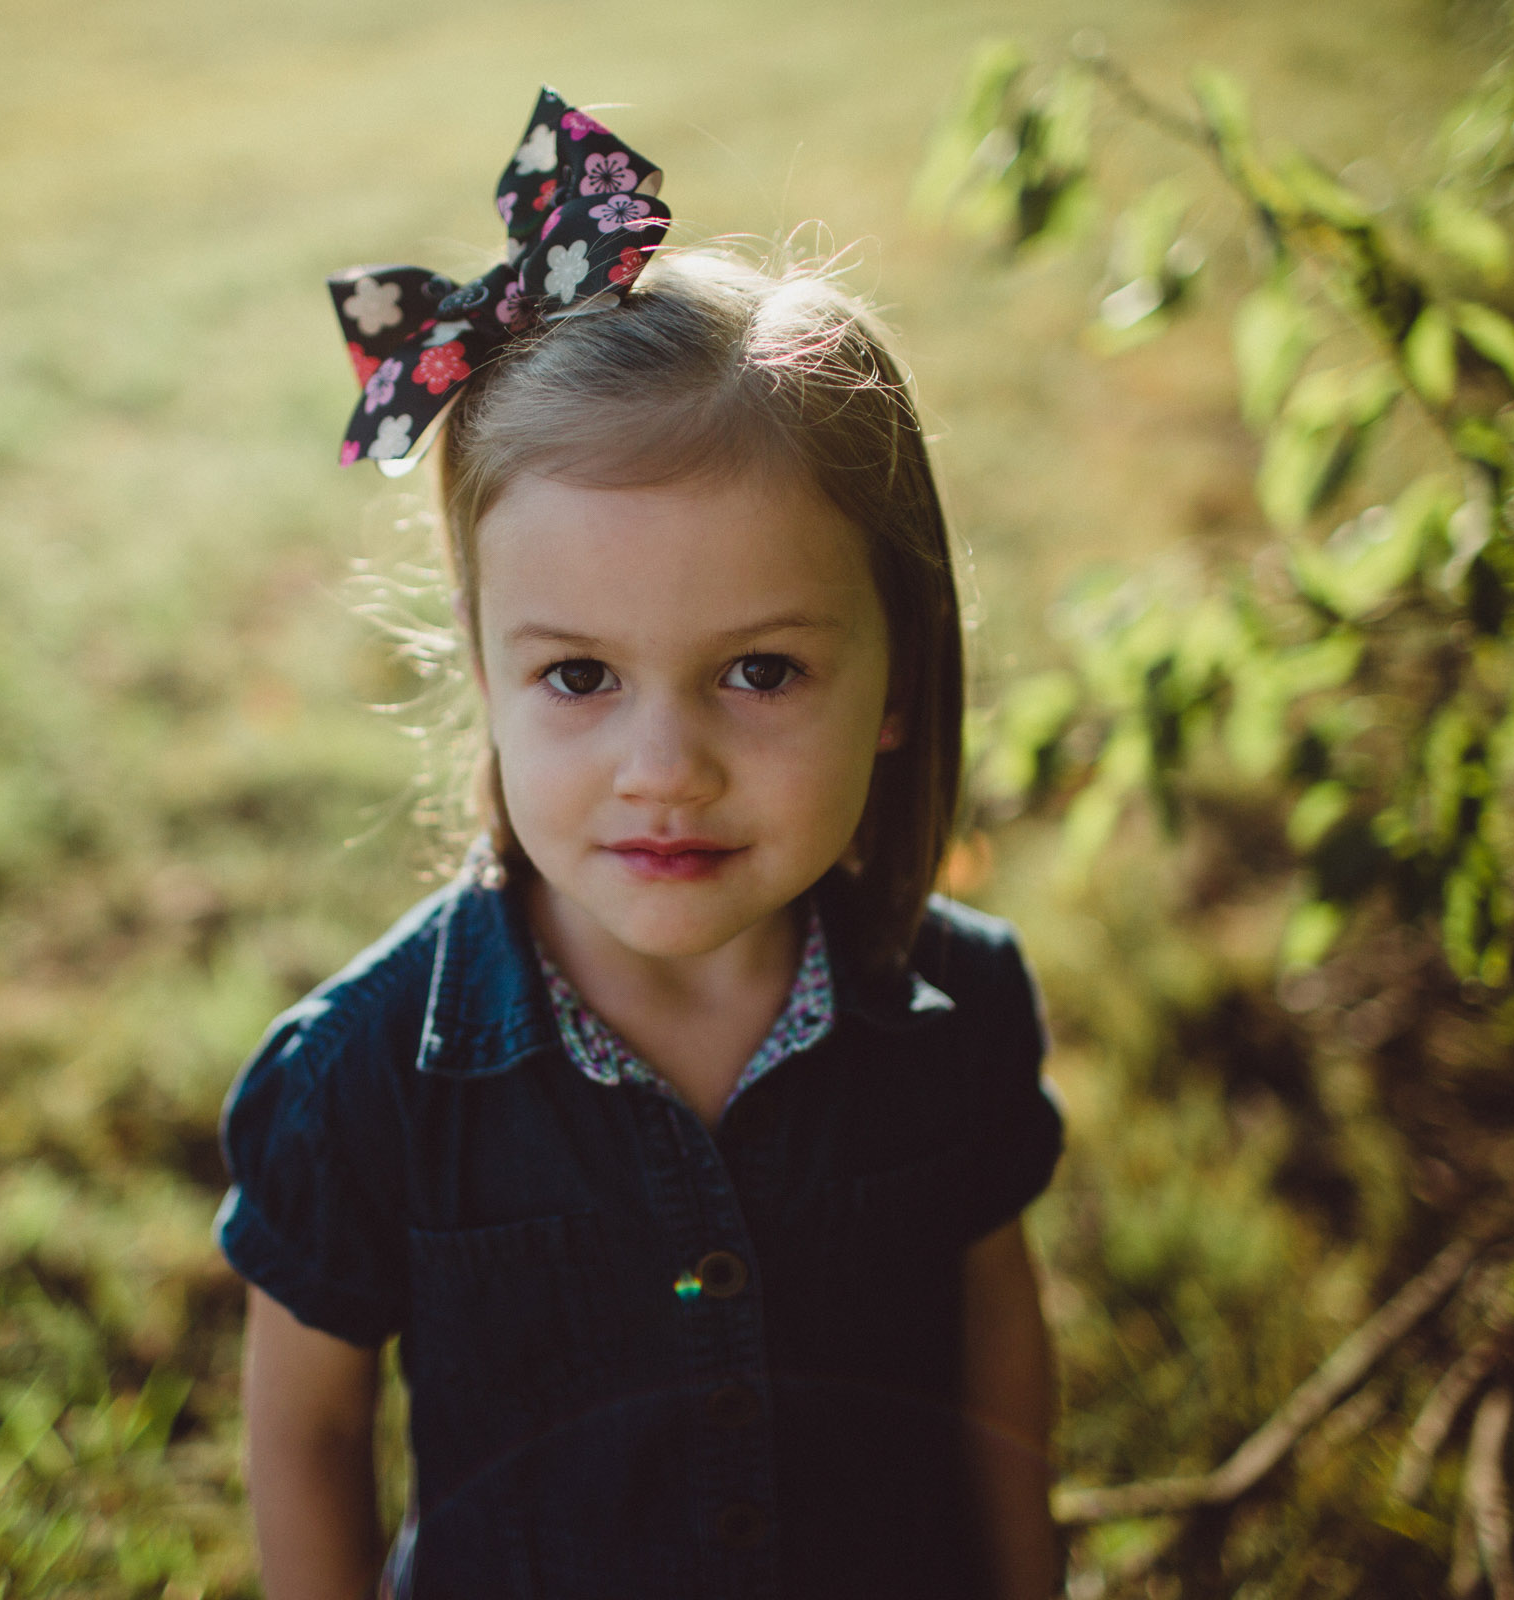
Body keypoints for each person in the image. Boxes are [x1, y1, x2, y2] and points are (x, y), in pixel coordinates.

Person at [215, 86, 1066, 1600]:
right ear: (485, 671)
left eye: (761, 671)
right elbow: (306, 1436)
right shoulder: (364, 1081)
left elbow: (995, 1354)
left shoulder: (959, 1017)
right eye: (581, 677)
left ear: (896, 676)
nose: (663, 771)